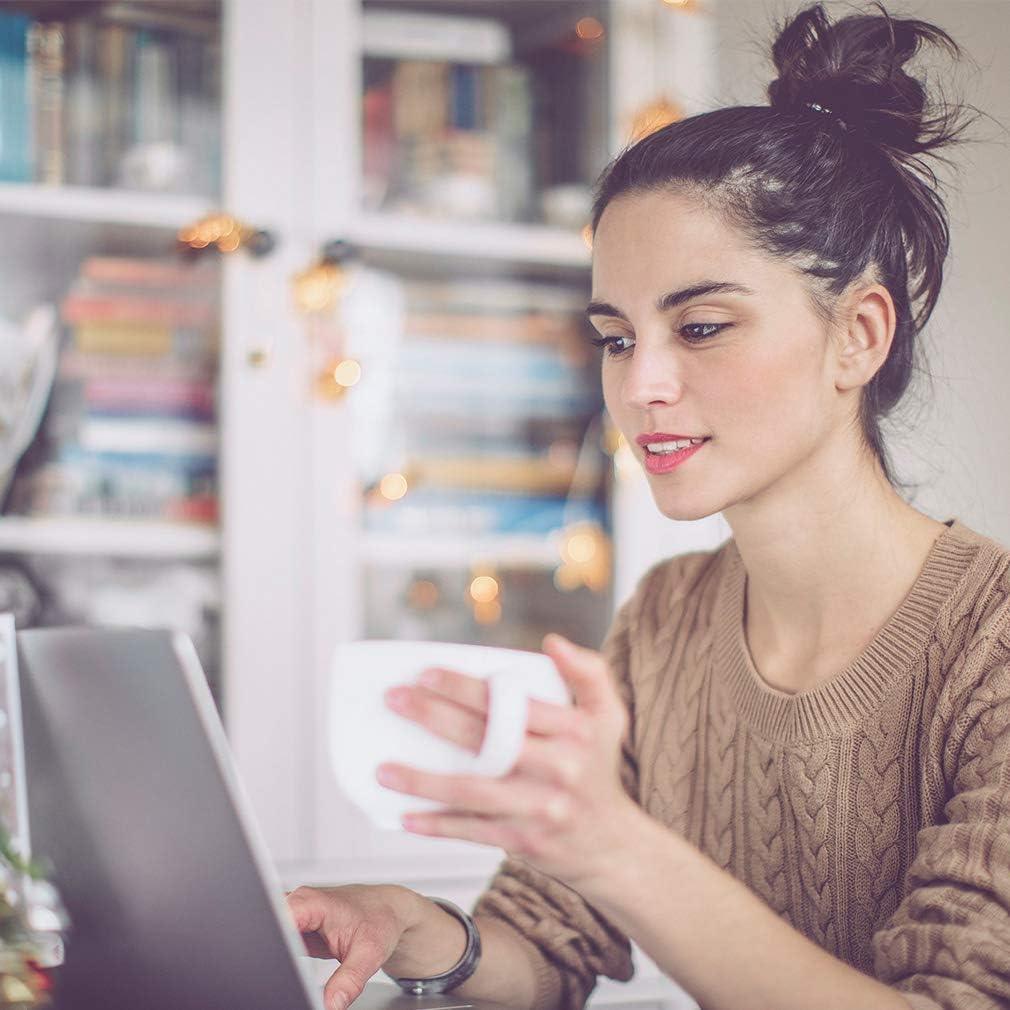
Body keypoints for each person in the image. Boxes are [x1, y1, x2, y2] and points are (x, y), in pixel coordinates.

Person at [286, 4, 1010, 1010]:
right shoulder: (665, 620)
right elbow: (544, 943)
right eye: (616, 338)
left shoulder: (991, 643)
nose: (640, 388)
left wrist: (612, 842)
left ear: (858, 335)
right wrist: (420, 931)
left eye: (701, 325)